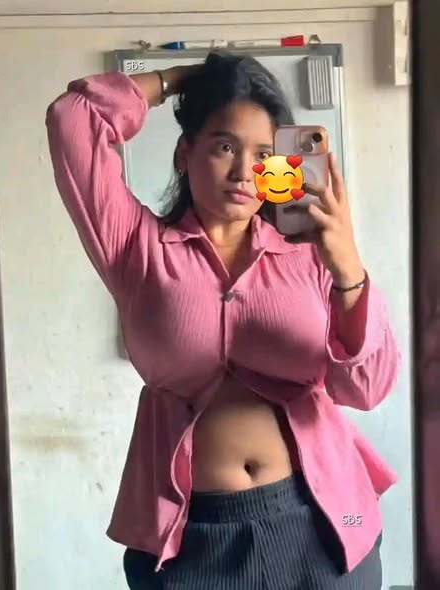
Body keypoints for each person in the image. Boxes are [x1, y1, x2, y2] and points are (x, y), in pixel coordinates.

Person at [45, 51, 401, 589]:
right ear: (184, 153)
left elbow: (367, 388)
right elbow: (74, 117)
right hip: (190, 541)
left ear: (281, 169)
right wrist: (189, 77)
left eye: (264, 155)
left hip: (329, 522)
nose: (243, 172)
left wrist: (348, 268)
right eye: (225, 146)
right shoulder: (136, 249)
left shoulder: (312, 256)